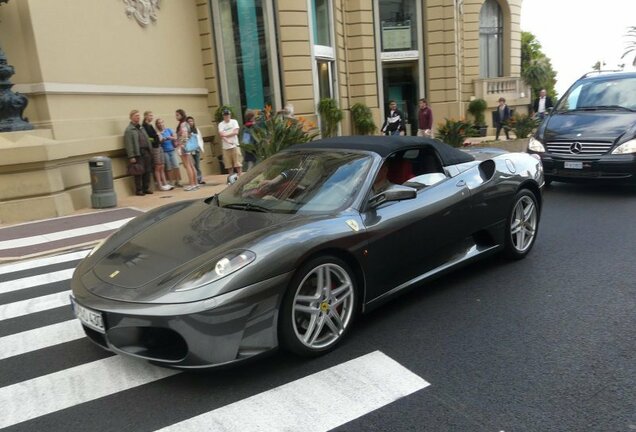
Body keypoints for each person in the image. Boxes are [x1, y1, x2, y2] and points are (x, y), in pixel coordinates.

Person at [123, 109, 153, 196]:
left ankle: (146, 188)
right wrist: (131, 156)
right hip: (138, 153)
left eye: (139, 116)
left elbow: (147, 138)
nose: (138, 117)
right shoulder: (129, 130)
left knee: (147, 171)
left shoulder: (141, 127)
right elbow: (128, 144)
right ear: (131, 117)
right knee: (139, 172)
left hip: (146, 151)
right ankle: (139, 190)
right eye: (136, 116)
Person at [143, 111, 172, 191]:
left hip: (159, 146)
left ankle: (165, 183)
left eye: (152, 115)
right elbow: (148, 138)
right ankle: (160, 185)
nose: (151, 117)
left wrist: (159, 136)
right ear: (145, 116)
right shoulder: (145, 126)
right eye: (150, 116)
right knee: (158, 166)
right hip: (154, 147)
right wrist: (156, 138)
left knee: (162, 165)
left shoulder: (150, 125)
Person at [175, 109, 199, 191]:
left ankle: (192, 184)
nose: (176, 116)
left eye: (177, 115)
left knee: (187, 165)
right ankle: (195, 183)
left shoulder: (183, 124)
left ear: (182, 115)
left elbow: (184, 135)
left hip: (184, 147)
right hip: (187, 146)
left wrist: (180, 145)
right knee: (191, 165)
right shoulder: (186, 124)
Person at [156, 117, 182, 188]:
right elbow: (159, 141)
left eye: (162, 122)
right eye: (159, 123)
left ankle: (178, 181)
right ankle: (171, 182)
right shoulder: (158, 132)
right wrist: (162, 139)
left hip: (172, 150)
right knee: (168, 167)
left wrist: (170, 137)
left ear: (163, 123)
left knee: (176, 165)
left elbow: (175, 137)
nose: (161, 124)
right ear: (157, 125)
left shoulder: (169, 130)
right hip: (164, 151)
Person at [218, 108, 242, 178]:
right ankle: (231, 177)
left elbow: (236, 132)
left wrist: (225, 135)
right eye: (225, 115)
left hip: (235, 145)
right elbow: (221, 134)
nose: (226, 116)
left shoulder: (234, 122)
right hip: (226, 146)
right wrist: (227, 140)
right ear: (223, 116)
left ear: (230, 115)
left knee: (237, 163)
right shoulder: (221, 124)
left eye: (227, 115)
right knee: (228, 164)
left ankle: (240, 176)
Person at [186, 116, 206, 184]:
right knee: (192, 164)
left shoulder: (196, 129)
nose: (190, 123)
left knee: (197, 165)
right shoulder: (186, 131)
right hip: (190, 150)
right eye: (189, 122)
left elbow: (200, 139)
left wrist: (201, 148)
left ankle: (199, 178)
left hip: (196, 149)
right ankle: (194, 179)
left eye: (191, 121)